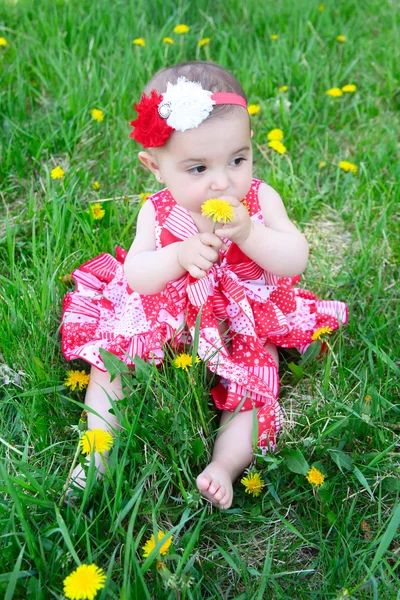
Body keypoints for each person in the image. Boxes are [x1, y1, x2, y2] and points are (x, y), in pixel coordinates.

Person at [61, 61, 348, 509]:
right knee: (111, 362)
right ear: (155, 166)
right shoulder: (156, 213)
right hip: (169, 315)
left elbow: (296, 257)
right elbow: (136, 274)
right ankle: (94, 452)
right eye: (198, 169)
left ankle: (225, 465)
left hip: (242, 317)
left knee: (258, 375)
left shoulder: (258, 198)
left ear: (252, 149)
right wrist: (175, 256)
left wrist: (251, 234)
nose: (222, 180)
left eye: (237, 159)